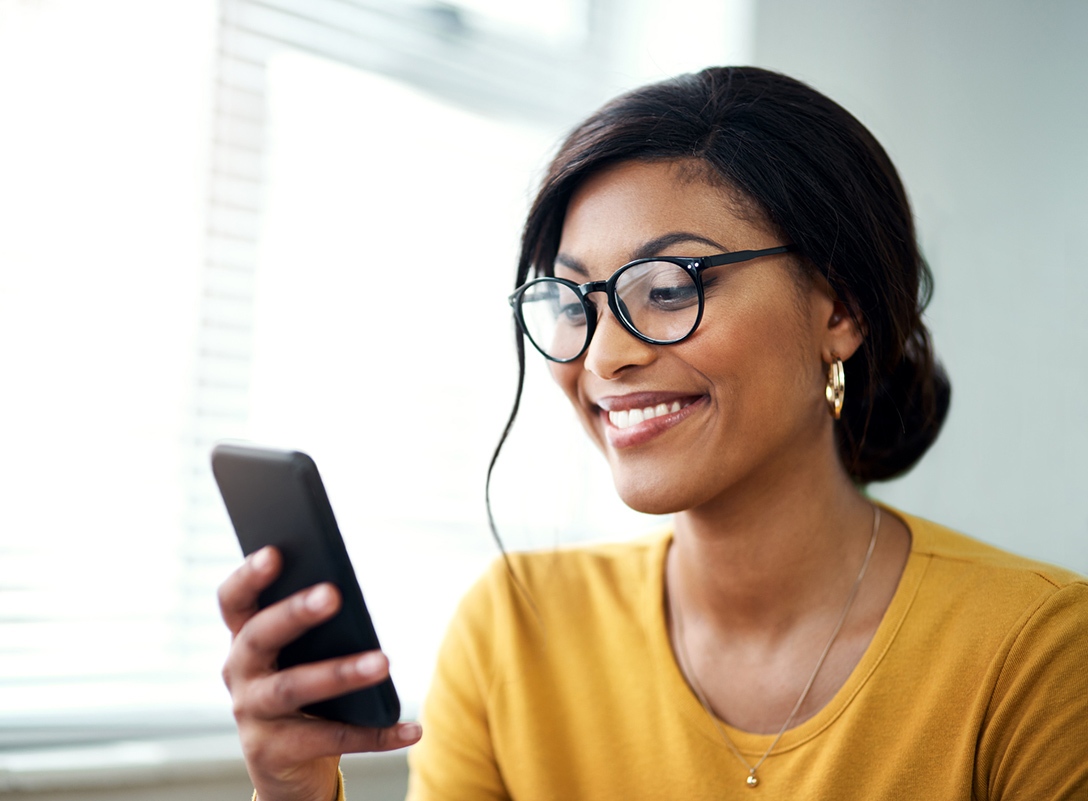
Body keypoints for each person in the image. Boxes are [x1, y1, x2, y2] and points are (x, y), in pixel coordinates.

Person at [217, 67, 1088, 801]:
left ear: (843, 308)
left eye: (669, 287)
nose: (606, 355)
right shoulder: (515, 628)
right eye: (574, 301)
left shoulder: (1037, 648)